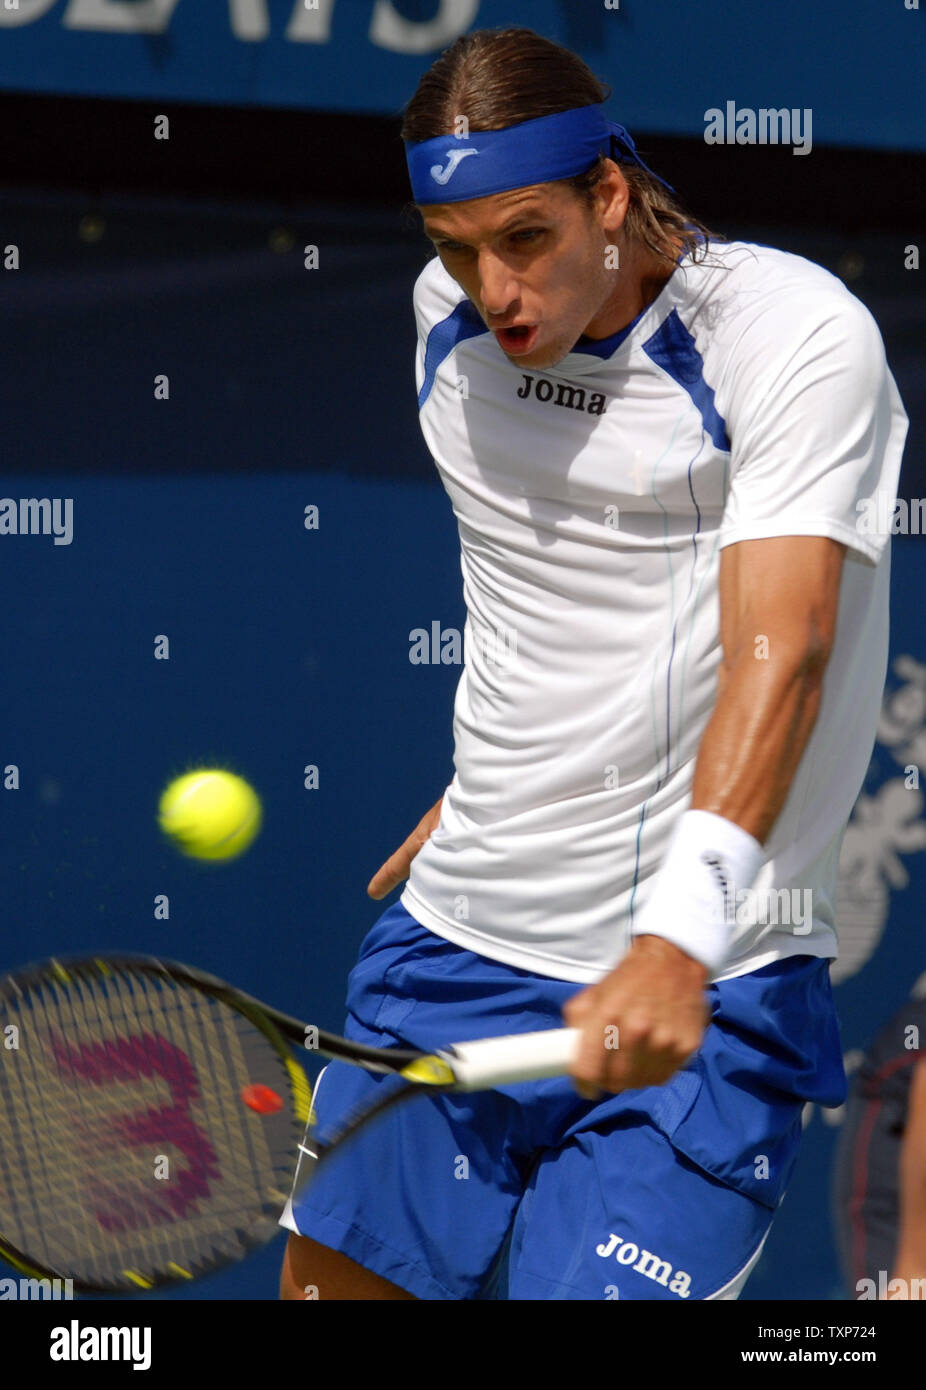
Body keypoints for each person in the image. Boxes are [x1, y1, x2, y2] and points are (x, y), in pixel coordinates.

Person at [279, 26, 908, 1301]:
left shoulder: (788, 338)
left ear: (609, 194)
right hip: (461, 942)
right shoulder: (444, 337)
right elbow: (555, 602)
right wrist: (498, 782)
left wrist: (673, 937)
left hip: (708, 977)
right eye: (453, 249)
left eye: (525, 238)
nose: (491, 289)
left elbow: (777, 652)